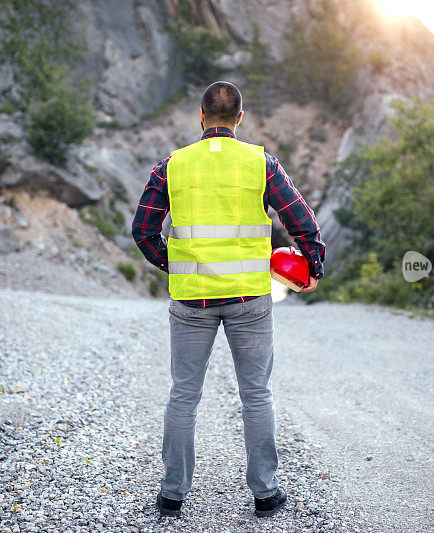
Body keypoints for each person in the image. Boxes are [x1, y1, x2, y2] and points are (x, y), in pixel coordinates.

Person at [131, 81, 325, 518]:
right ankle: (265, 494)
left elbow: (143, 231)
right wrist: (313, 267)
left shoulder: (171, 166)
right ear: (240, 119)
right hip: (249, 300)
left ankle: (172, 495)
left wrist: (173, 263)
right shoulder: (263, 164)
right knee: (256, 395)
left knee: (184, 395)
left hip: (191, 300)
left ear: (201, 116)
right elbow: (302, 220)